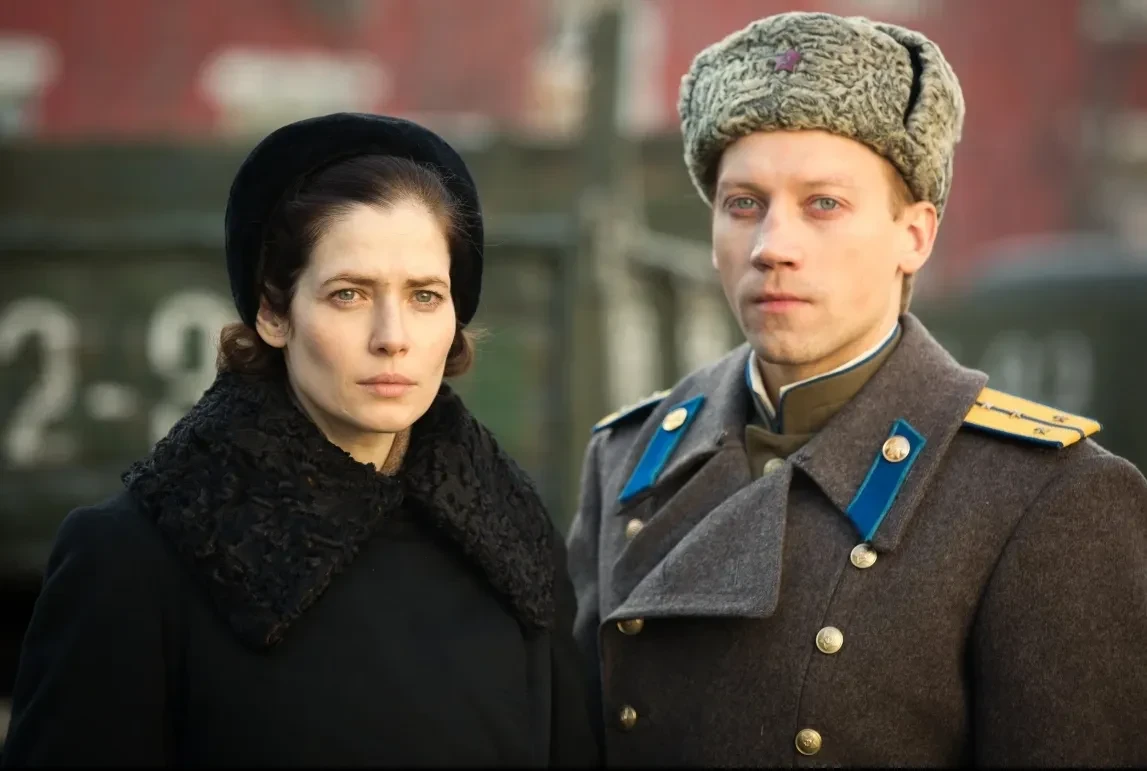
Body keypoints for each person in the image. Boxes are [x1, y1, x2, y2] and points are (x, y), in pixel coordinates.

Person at [566, 11, 1147, 768]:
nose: (772, 246)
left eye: (823, 204)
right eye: (743, 204)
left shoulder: (1046, 497)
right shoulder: (629, 456)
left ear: (915, 235)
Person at [2, 112, 601, 767]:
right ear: (272, 311)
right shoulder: (134, 559)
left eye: (425, 296)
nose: (392, 336)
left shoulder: (515, 543)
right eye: (349, 294)